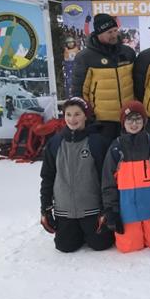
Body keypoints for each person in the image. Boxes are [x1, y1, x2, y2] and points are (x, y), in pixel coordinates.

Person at [39, 97, 114, 253]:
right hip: (64, 210)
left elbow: (107, 179)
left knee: (101, 244)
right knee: (65, 247)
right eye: (68, 114)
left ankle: (87, 232)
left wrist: (106, 209)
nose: (72, 119)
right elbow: (47, 177)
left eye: (77, 114)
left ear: (86, 116)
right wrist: (45, 208)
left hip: (92, 209)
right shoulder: (55, 143)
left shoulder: (97, 142)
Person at [101, 101, 150, 253]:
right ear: (123, 122)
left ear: (144, 121)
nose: (134, 124)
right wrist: (111, 210)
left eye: (138, 119)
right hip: (127, 211)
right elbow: (108, 182)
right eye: (129, 120)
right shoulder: (115, 148)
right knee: (129, 247)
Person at [70, 13, 136, 139]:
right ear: (98, 33)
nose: (114, 35)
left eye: (115, 30)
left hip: (127, 116)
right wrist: (87, 116)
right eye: (109, 32)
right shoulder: (85, 57)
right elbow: (78, 91)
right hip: (101, 120)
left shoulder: (128, 52)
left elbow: (136, 82)